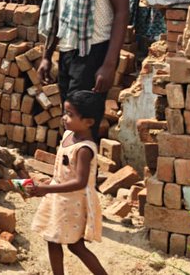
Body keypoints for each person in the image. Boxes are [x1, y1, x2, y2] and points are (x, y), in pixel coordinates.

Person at [28, 90, 109, 275]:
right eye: (65, 112)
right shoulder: (68, 135)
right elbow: (64, 169)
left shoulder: (84, 149)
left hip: (73, 202)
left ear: (89, 122)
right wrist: (50, 183)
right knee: (52, 238)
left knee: (75, 246)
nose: (64, 118)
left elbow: (80, 182)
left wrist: (46, 188)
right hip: (58, 197)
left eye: (70, 115)